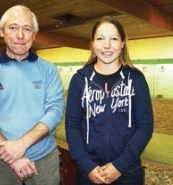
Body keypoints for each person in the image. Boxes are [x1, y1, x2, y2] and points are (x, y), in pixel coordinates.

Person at [0, 5, 64, 185]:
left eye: (27, 29)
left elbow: (55, 110)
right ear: (1, 31)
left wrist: (22, 144)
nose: (20, 35)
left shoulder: (49, 70)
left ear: (34, 35)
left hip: (44, 161)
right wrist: (12, 155)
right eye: (13, 27)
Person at [65, 16, 153, 185]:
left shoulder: (136, 79)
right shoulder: (79, 80)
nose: (107, 45)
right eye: (100, 38)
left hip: (127, 172)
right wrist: (86, 165)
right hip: (88, 172)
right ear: (92, 43)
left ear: (123, 43)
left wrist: (119, 166)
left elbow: (145, 126)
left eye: (113, 38)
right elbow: (72, 125)